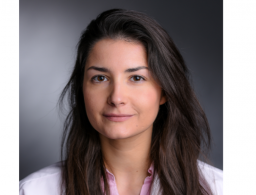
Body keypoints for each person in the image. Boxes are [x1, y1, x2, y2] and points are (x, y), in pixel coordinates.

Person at [19, 9, 223, 195]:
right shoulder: (34, 190)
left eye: (136, 78)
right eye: (100, 78)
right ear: (82, 90)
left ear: (165, 91)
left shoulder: (220, 189)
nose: (116, 98)